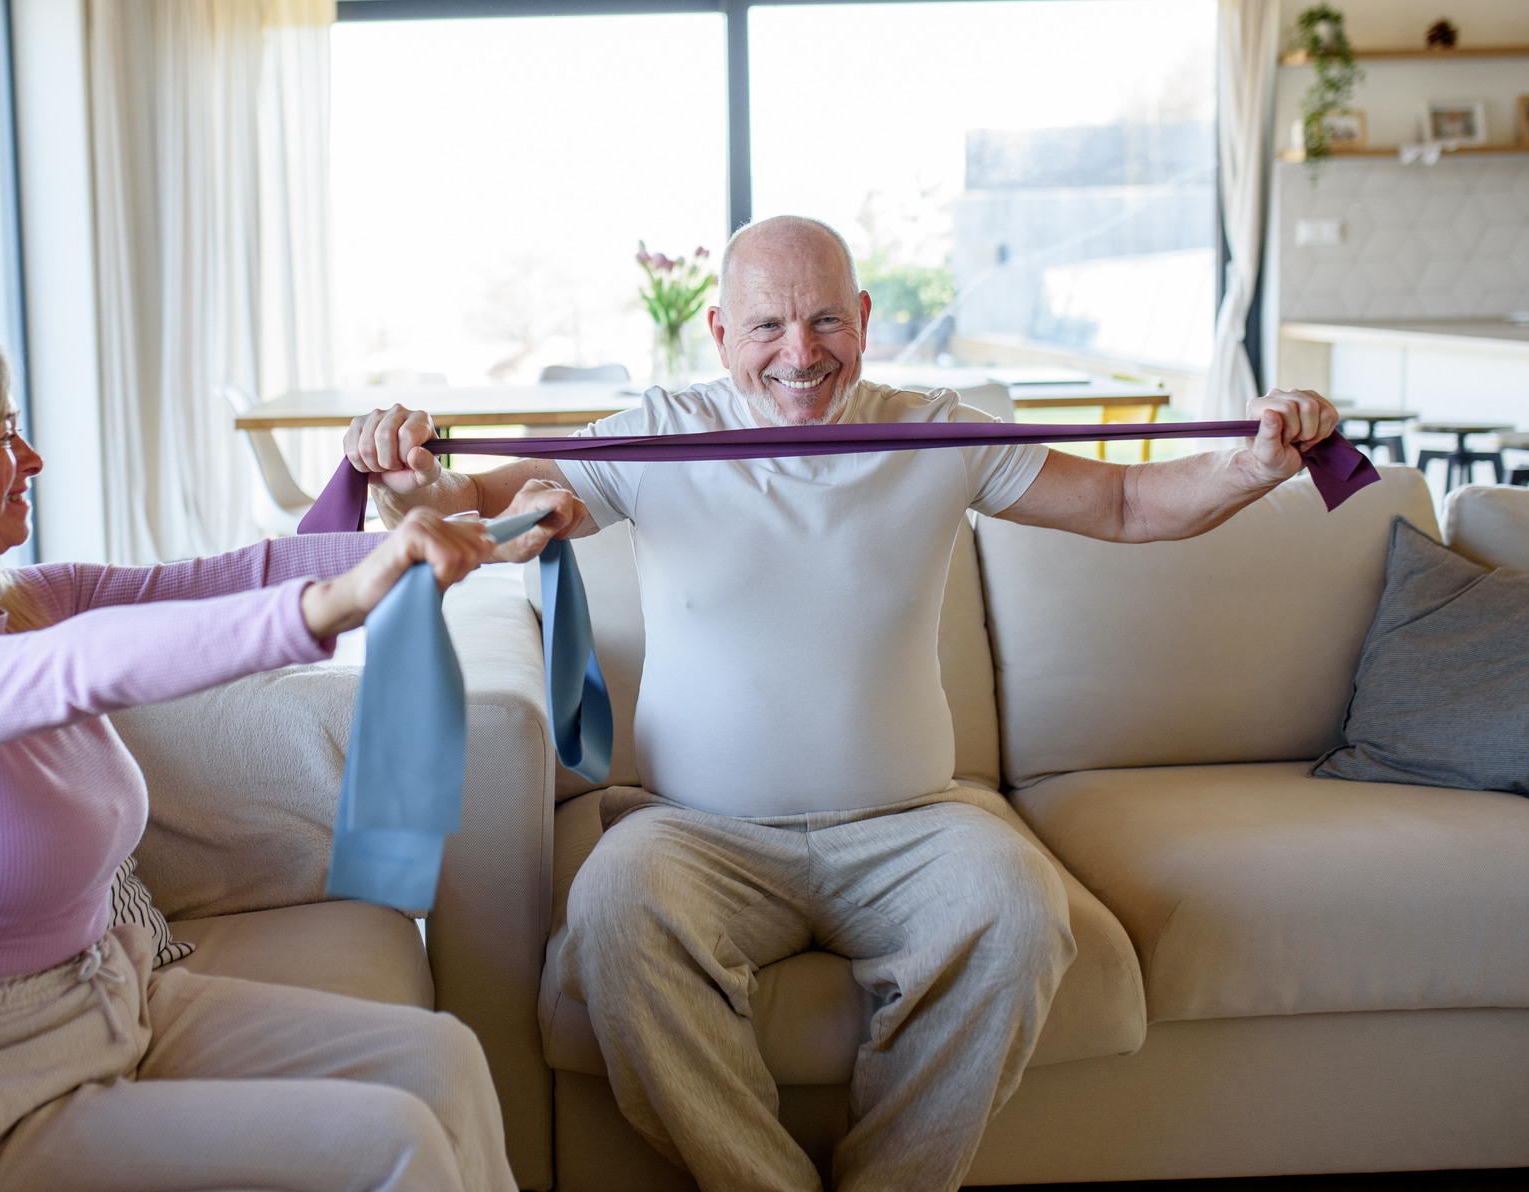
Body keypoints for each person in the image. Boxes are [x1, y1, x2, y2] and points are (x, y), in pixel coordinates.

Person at [342, 216, 1340, 1192]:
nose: (798, 352)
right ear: (721, 335)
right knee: (610, 910)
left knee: (1020, 909)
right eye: (767, 327)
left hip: (910, 825)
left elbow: (1127, 505)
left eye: (824, 320)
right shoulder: (655, 433)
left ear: (863, 319)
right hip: (696, 833)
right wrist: (406, 486)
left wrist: (1252, 465)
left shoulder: (939, 432)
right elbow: (482, 509)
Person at [0, 313, 581, 1192]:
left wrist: (480, 543)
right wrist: (338, 603)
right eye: (2, 435)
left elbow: (237, 572)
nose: (32, 458)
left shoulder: (19, 602)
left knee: (442, 1059)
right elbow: (82, 667)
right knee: (392, 1141)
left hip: (113, 1002)